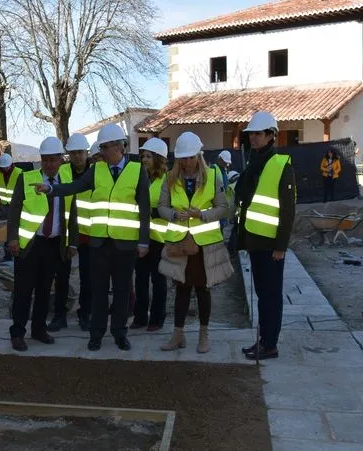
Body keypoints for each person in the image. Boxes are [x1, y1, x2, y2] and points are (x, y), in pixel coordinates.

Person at [35, 123, 150, 352]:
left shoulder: (138, 171)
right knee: (98, 292)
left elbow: (145, 208)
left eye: (105, 148)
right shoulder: (97, 170)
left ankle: (119, 333)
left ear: (119, 147)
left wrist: (143, 241)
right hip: (99, 244)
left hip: (125, 244)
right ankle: (96, 334)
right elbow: (75, 186)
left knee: (121, 291)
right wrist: (51, 190)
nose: (102, 153)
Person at [158, 132, 231, 353]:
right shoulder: (169, 179)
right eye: (183, 158)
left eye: (190, 157)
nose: (187, 162)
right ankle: (178, 335)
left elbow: (224, 208)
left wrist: (203, 214)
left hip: (204, 246)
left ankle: (203, 335)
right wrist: (172, 215)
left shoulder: (213, 177)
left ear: (198, 156)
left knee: (202, 290)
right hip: (180, 244)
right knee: (181, 289)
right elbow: (161, 207)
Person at [234, 111, 296, 360]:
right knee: (262, 295)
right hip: (254, 241)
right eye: (251, 134)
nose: (254, 138)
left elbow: (288, 210)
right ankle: (263, 339)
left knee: (271, 296)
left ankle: (270, 344)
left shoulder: (281, 165)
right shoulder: (253, 163)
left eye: (259, 134)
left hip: (271, 245)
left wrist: (281, 246)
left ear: (272, 136)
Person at [6, 137, 78, 351]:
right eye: (44, 160)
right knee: (23, 291)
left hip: (54, 244)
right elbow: (15, 210)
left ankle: (39, 329)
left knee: (45, 290)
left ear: (60, 160)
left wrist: (72, 242)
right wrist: (12, 238)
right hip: (30, 244)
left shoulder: (66, 179)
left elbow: (72, 212)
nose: (48, 164)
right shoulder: (26, 178)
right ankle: (18, 332)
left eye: (52, 160)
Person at [49, 133, 92, 332]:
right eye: (73, 153)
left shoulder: (97, 171)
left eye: (80, 152)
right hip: (67, 232)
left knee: (88, 277)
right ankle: (60, 315)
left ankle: (85, 314)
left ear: (87, 152)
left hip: (92, 232)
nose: (76, 156)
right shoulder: (63, 171)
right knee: (61, 276)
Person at [132, 137, 170, 332]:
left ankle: (157, 318)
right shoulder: (139, 179)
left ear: (159, 158)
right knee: (140, 279)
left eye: (148, 156)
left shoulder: (168, 181)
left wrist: (149, 212)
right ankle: (140, 317)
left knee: (158, 280)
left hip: (160, 240)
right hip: (142, 238)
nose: (144, 159)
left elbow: (171, 210)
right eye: (142, 156)